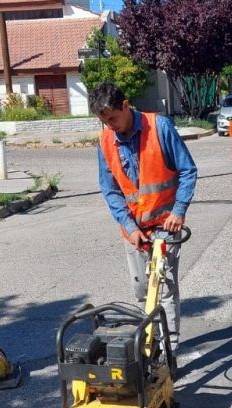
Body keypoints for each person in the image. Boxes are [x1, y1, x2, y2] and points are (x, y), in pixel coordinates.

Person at [89, 82, 197, 347]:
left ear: (125, 105)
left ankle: (169, 352)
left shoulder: (159, 127)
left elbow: (188, 170)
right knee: (141, 291)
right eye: (104, 121)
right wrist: (130, 226)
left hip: (165, 226)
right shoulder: (105, 142)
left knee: (165, 290)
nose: (110, 126)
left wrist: (179, 211)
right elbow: (110, 190)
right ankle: (150, 346)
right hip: (134, 230)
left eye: (113, 118)